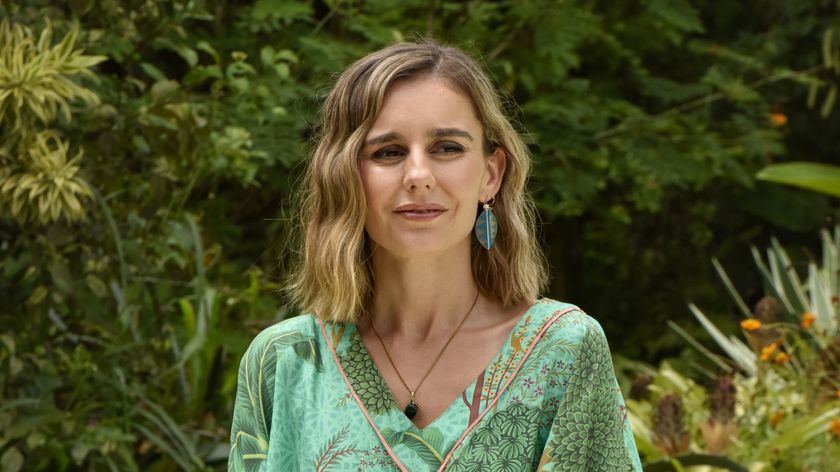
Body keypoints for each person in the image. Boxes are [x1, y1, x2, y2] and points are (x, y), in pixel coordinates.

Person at [228, 40, 642, 471]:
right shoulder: (287, 362)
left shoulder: (563, 351)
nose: (419, 176)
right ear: (345, 177)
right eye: (387, 152)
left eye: (447, 147)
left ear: (491, 174)